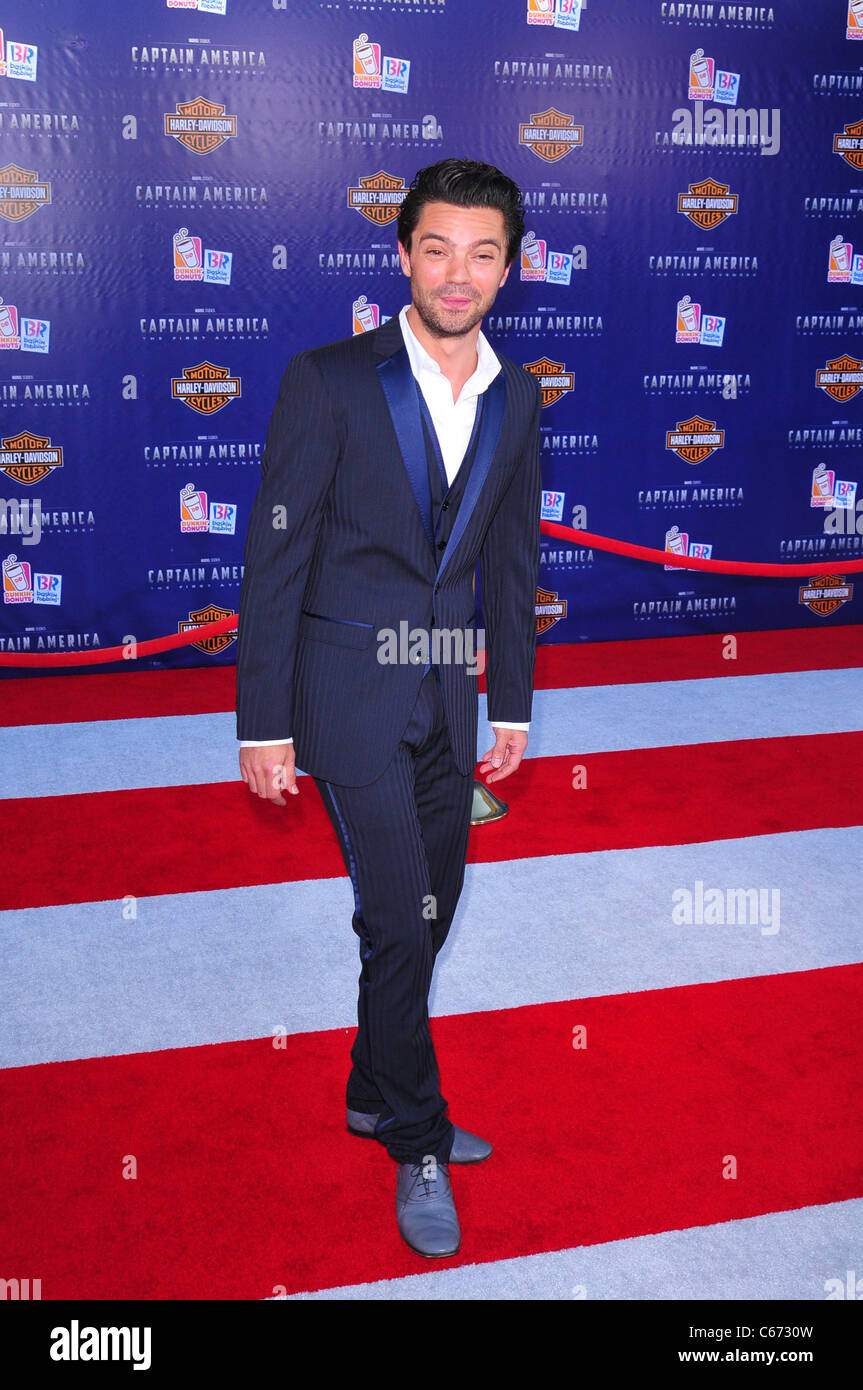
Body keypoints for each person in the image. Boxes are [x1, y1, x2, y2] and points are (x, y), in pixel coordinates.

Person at [235, 158, 542, 1258]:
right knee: (396, 918)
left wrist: (509, 698)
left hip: (445, 690)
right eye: (436, 249)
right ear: (403, 255)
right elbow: (274, 559)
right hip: (344, 697)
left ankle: (372, 1084)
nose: (457, 275)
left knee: (431, 910)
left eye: (482, 253)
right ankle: (414, 1134)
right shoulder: (327, 379)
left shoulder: (516, 392)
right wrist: (262, 720)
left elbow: (508, 556)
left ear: (508, 268)